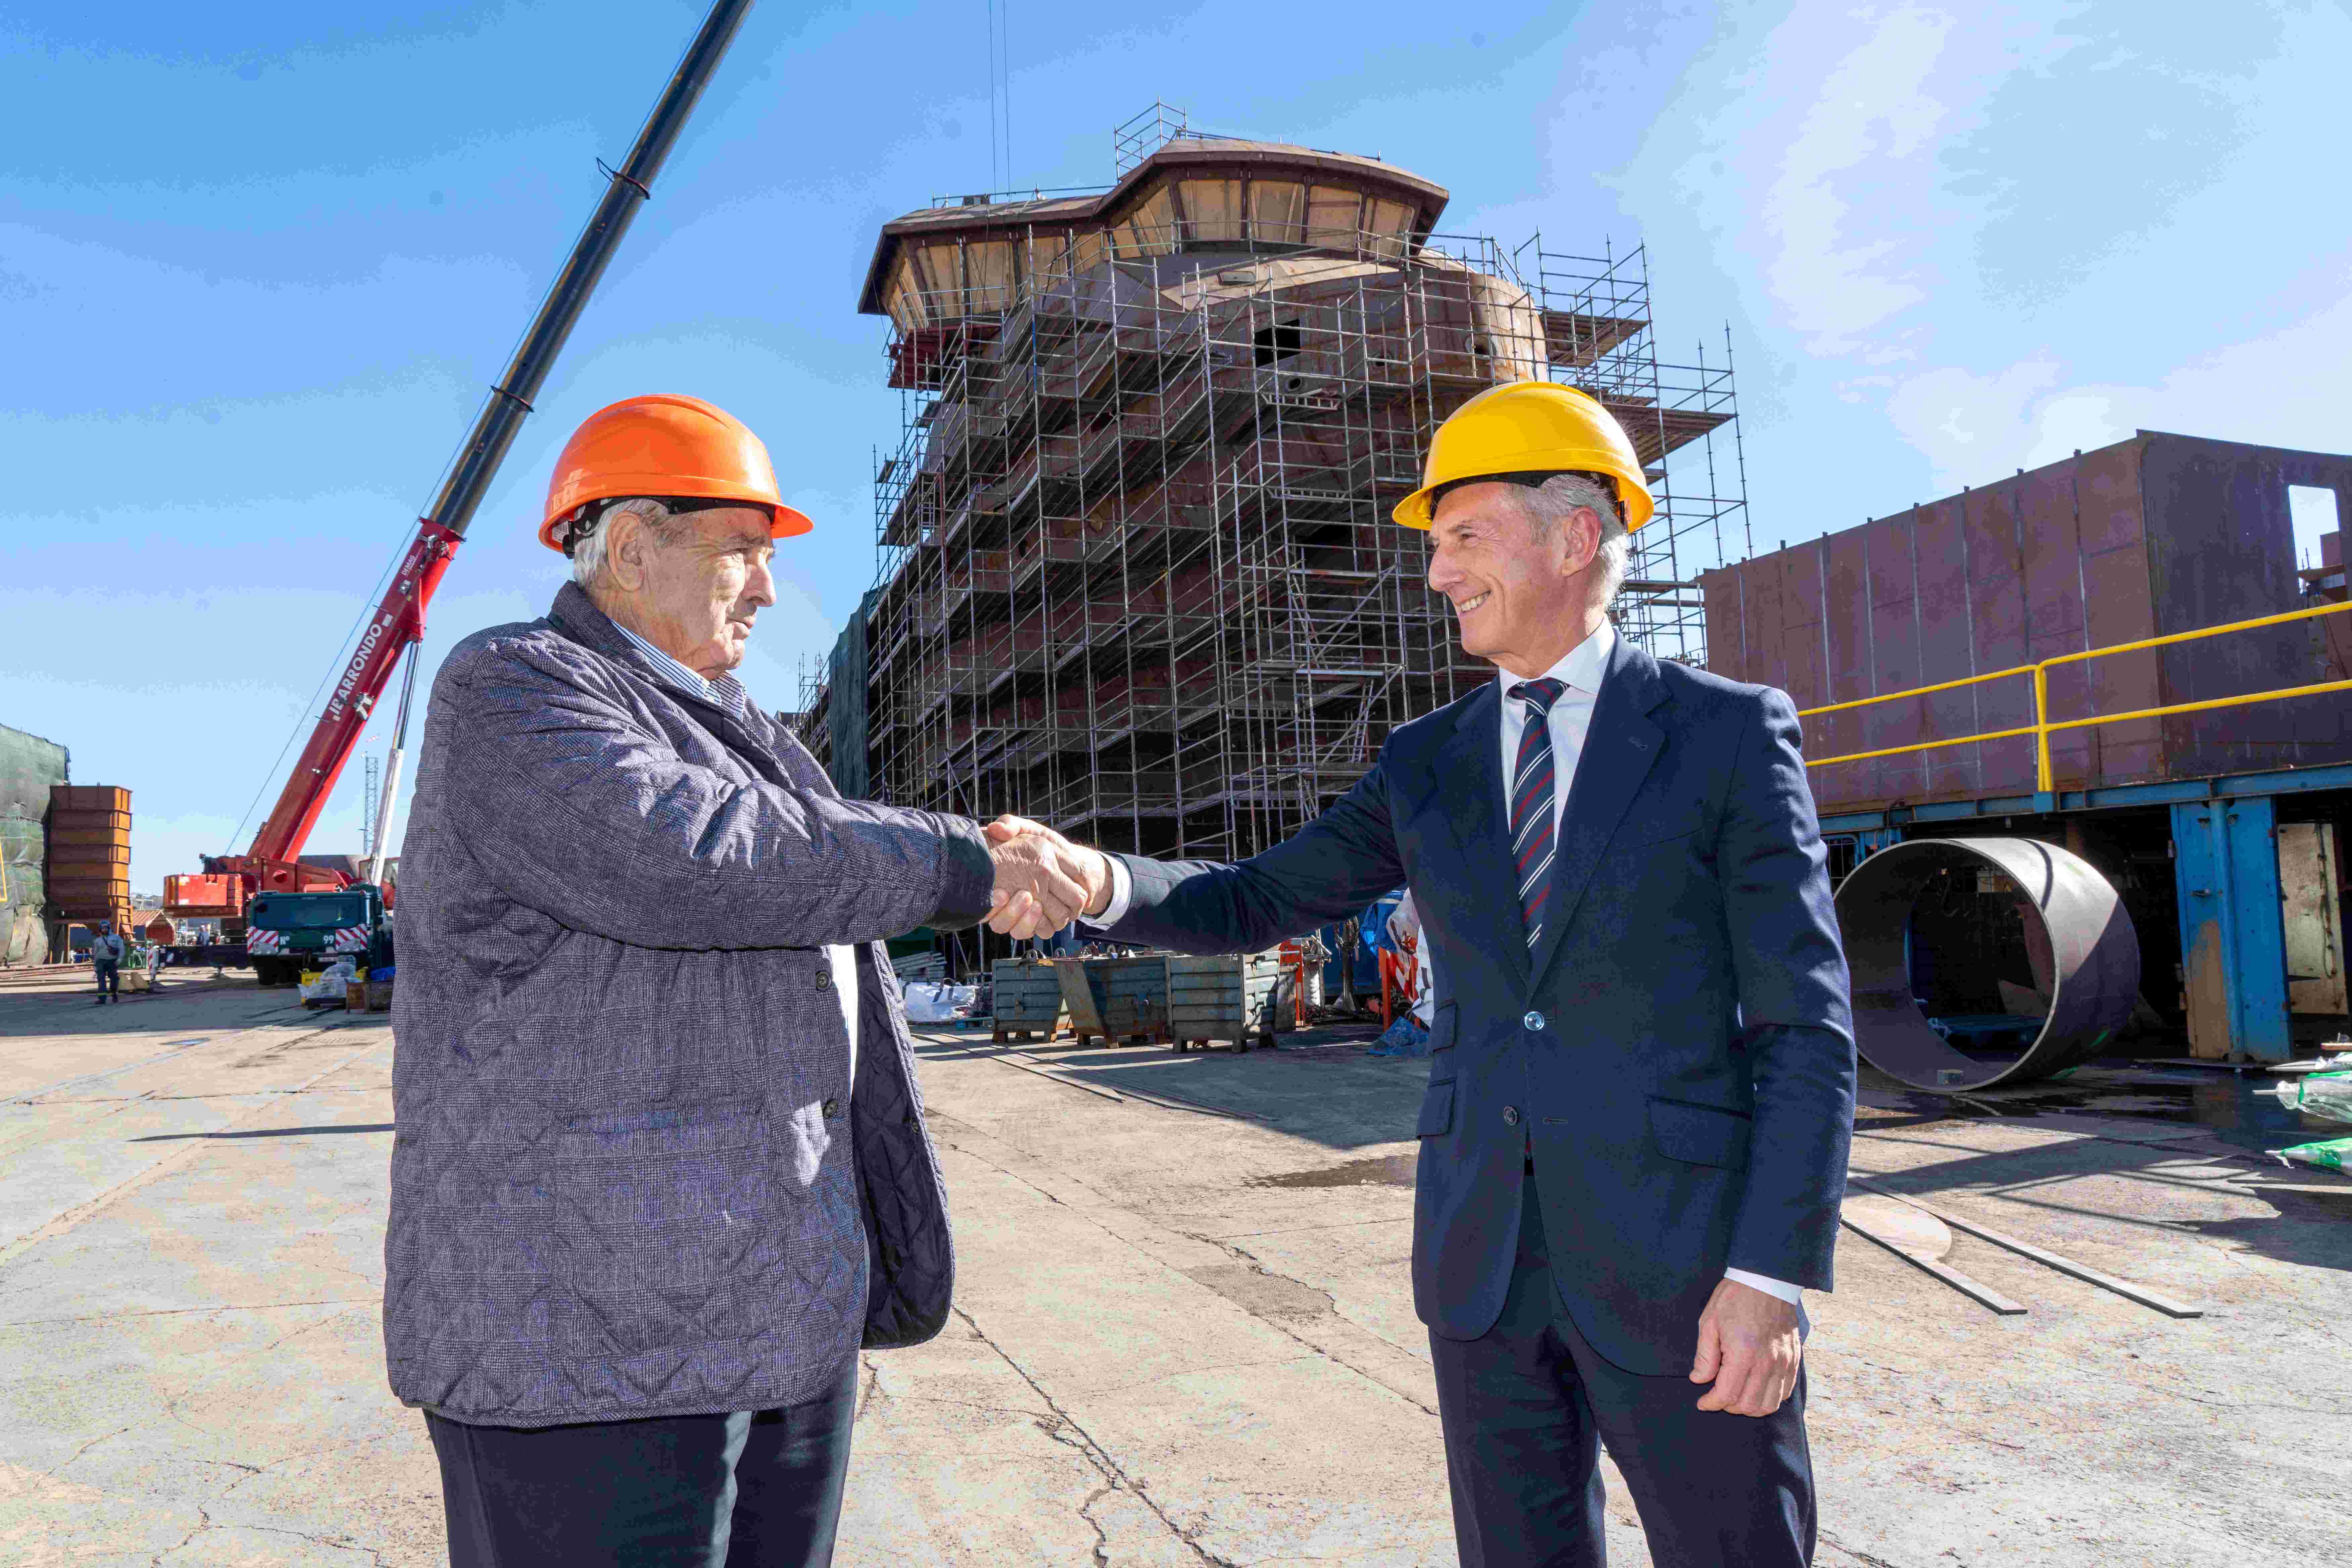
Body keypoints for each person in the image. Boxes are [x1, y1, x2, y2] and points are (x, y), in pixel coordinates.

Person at [987, 381, 1855, 1567]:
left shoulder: (1722, 733)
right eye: (1435, 546)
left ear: (1573, 536)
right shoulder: (1425, 761)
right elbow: (1256, 896)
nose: (1437, 572)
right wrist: (1093, 880)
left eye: (1463, 538)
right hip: (1481, 1264)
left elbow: (1802, 1027)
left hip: (1685, 1272)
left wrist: (1767, 1275)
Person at [383, 394, 1090, 1568]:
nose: (767, 587)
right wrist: (966, 865)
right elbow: (695, 853)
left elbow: (799, 855)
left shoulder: (752, 734)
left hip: (775, 1325)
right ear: (629, 546)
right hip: (589, 1355)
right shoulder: (514, 688)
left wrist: (973, 852)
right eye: (742, 551)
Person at [88, 921, 125, 1005]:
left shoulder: (117, 938)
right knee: (101, 979)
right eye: (103, 929)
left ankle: (114, 993)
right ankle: (102, 999)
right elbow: (96, 953)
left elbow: (122, 949)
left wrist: (120, 958)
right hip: (101, 961)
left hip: (113, 962)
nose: (104, 930)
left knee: (114, 979)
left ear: (109, 928)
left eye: (106, 928)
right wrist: (95, 965)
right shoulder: (98, 940)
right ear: (101, 930)